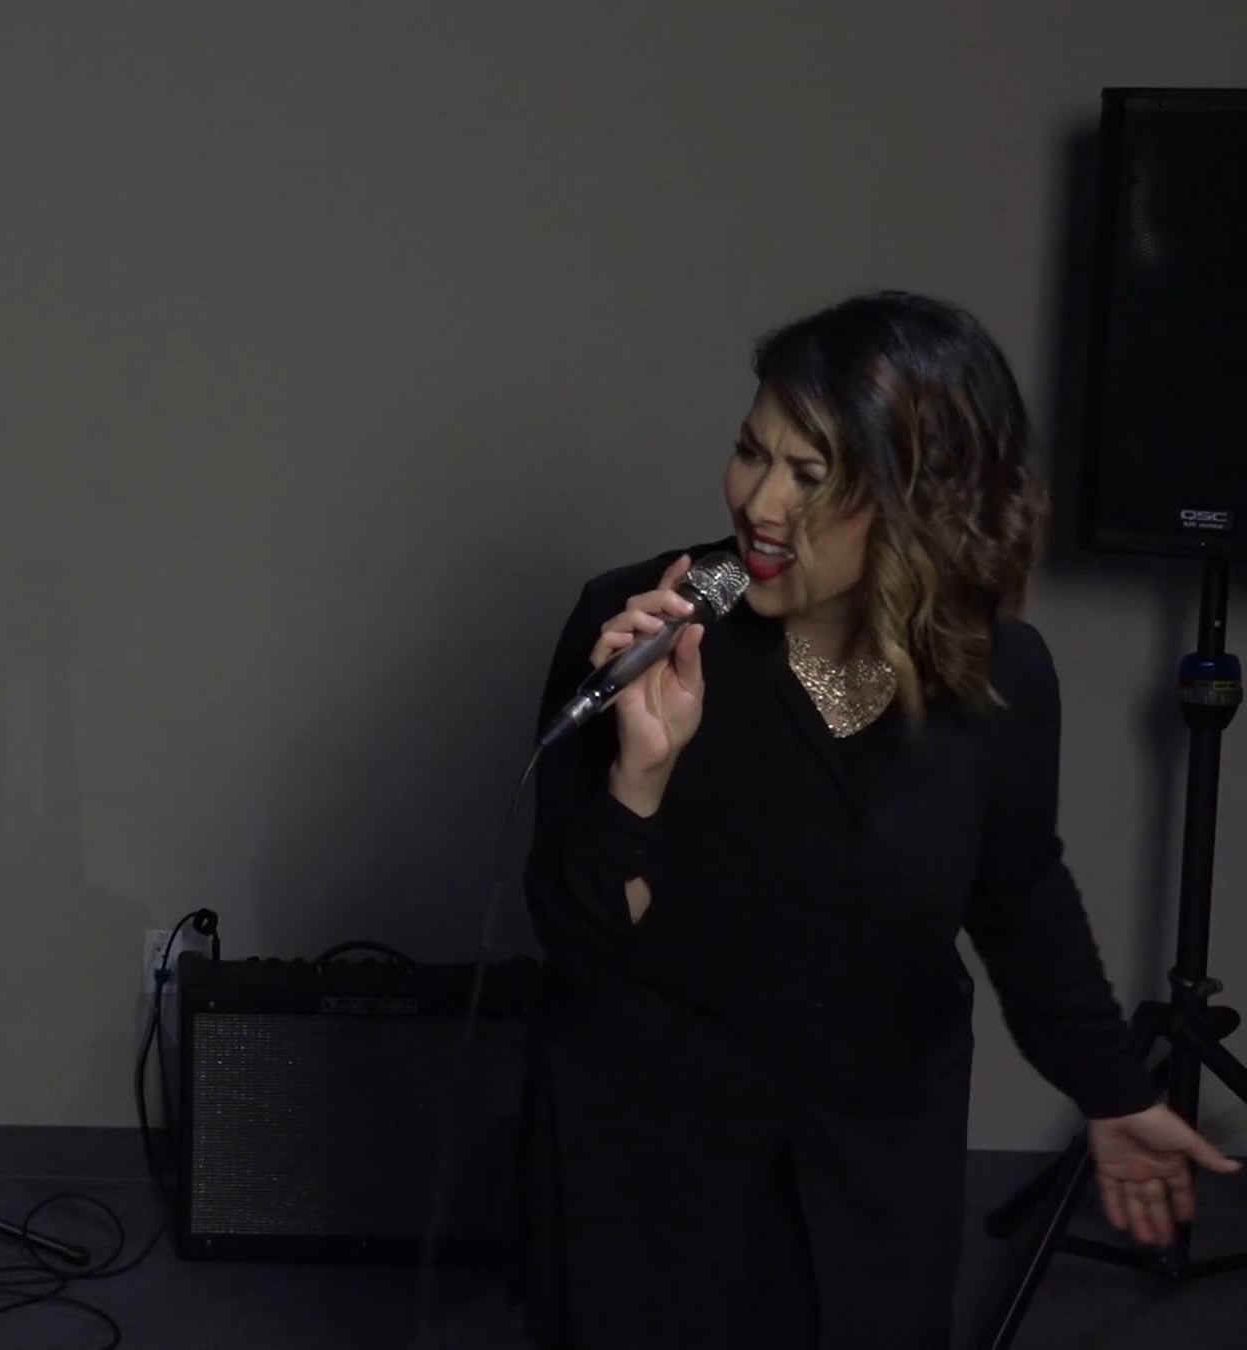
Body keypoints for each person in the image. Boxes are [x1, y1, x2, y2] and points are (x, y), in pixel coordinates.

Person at [514, 290, 1238, 1349]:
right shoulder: (637, 627)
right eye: (751, 452)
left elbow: (1020, 892)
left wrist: (1112, 1092)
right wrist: (640, 776)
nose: (761, 503)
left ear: (920, 495)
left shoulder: (999, 671)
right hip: (657, 1166)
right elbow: (578, 943)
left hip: (876, 1163)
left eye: (812, 475)